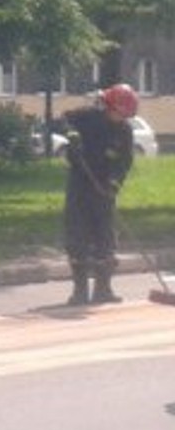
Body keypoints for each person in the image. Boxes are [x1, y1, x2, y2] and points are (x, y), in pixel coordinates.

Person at [62, 83, 138, 306]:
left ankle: (103, 289)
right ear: (108, 106)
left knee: (105, 239)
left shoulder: (124, 131)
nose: (121, 118)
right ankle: (80, 291)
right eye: (119, 113)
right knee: (78, 236)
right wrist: (71, 133)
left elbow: (124, 161)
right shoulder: (87, 117)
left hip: (105, 189)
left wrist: (114, 184)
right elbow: (62, 120)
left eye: (126, 115)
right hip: (80, 185)